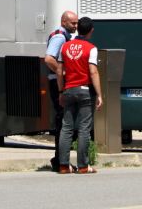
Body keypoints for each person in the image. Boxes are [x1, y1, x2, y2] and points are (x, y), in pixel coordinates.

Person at [56, 16, 102, 174]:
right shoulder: (91, 48)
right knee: (84, 129)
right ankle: (83, 165)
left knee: (66, 128)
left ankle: (63, 165)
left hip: (68, 90)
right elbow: (93, 71)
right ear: (91, 31)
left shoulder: (65, 47)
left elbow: (59, 71)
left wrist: (61, 91)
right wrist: (99, 94)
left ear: (78, 28)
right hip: (85, 91)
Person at [44, 10, 78, 172]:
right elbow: (49, 58)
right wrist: (62, 73)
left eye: (77, 23)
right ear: (64, 22)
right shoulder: (59, 37)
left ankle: (60, 158)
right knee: (63, 121)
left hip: (58, 82)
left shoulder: (64, 36)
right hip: (56, 83)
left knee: (64, 120)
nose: (76, 26)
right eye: (73, 23)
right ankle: (59, 159)